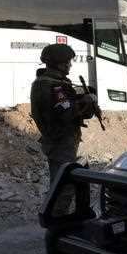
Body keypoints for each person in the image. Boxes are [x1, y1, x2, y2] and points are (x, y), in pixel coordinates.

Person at [30, 44, 97, 210]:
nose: (70, 65)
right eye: (68, 62)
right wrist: (85, 101)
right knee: (64, 185)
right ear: (60, 64)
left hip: (61, 141)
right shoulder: (50, 85)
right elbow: (66, 112)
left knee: (63, 181)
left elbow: (68, 107)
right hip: (59, 142)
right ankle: (57, 222)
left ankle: (57, 218)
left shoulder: (54, 83)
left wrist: (83, 100)